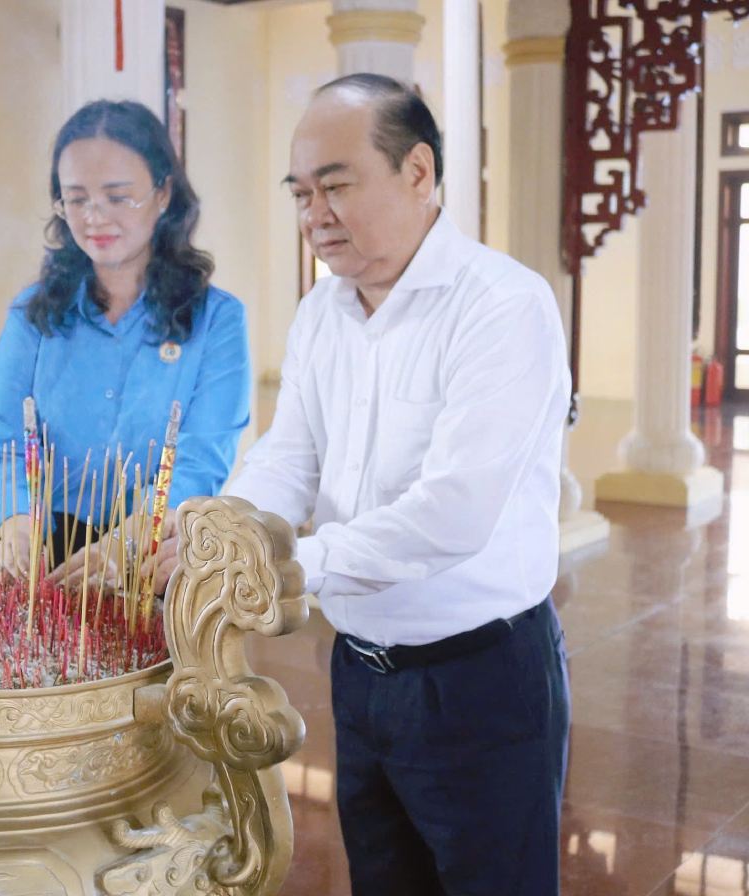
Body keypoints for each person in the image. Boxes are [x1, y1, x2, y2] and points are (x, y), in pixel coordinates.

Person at [223, 74, 571, 894]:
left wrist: (291, 564)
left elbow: (454, 512)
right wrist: (225, 531)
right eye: (301, 193)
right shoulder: (322, 313)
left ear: (418, 171)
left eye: (336, 185)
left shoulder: (502, 306)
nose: (315, 214)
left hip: (480, 679)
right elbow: (290, 455)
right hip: (360, 673)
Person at [0, 99, 250, 586]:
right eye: (76, 199)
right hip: (50, 556)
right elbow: (6, 438)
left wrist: (128, 541)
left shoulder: (216, 320)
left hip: (154, 556)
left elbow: (200, 459)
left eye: (118, 197)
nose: (94, 217)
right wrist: (14, 519)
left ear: (163, 194)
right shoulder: (33, 314)